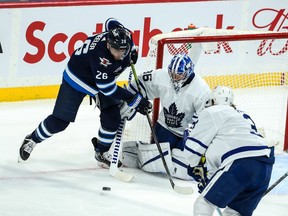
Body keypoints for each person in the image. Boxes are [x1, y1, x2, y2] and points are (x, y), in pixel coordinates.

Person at [18, 18, 152, 168]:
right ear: (108, 44)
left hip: (100, 79)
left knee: (112, 117)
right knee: (60, 122)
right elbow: (108, 89)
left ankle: (101, 152)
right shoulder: (102, 60)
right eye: (116, 50)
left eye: (123, 50)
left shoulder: (123, 35)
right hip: (77, 79)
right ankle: (32, 139)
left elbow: (110, 21)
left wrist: (132, 51)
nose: (120, 54)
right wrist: (134, 99)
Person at [182, 86, 275, 216]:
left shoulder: (212, 112)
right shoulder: (241, 116)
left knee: (204, 203)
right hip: (265, 167)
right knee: (234, 212)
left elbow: (191, 152)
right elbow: (225, 147)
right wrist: (209, 177)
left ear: (212, 101)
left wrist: (195, 167)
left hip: (240, 164)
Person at [121, 53, 211, 180]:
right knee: (156, 159)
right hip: (165, 128)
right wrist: (131, 100)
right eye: (172, 74)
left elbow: (205, 121)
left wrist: (192, 135)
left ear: (188, 73)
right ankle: (132, 152)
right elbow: (140, 83)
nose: (174, 78)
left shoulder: (201, 90)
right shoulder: (161, 76)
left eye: (178, 75)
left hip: (187, 133)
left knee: (187, 164)